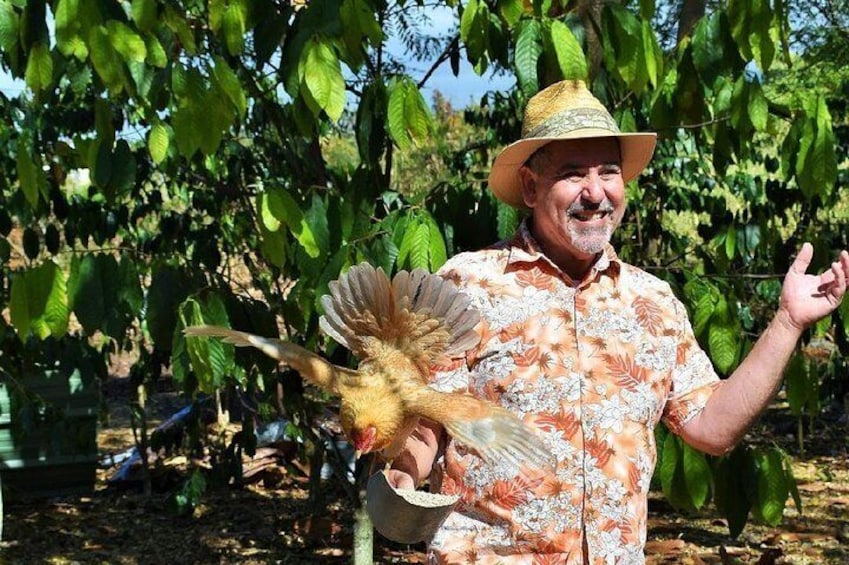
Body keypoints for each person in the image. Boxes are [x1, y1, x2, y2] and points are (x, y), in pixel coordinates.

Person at [379, 80, 849, 564]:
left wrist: (789, 321)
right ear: (530, 186)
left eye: (608, 171)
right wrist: (401, 476)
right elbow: (424, 422)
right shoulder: (465, 285)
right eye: (572, 173)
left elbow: (711, 426)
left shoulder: (653, 303)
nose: (595, 192)